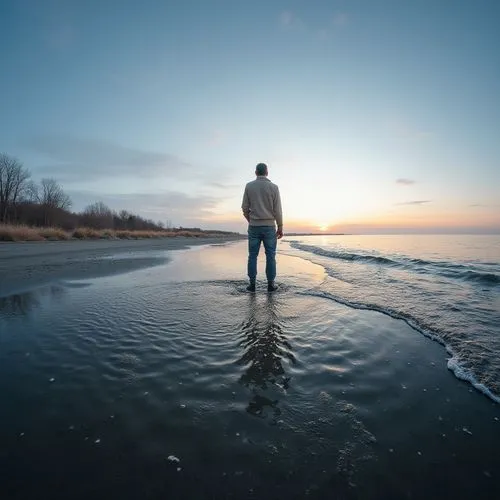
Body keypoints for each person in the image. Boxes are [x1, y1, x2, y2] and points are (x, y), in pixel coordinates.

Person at [241, 163, 283, 292]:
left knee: (252, 256)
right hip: (269, 226)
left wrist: (251, 220)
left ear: (255, 172)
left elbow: (244, 208)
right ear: (267, 172)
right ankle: (270, 284)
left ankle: (252, 285)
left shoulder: (249, 186)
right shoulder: (274, 187)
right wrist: (280, 226)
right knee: (270, 255)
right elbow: (278, 210)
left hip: (254, 226)